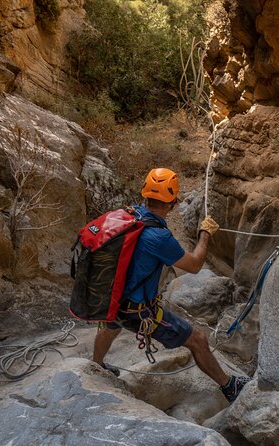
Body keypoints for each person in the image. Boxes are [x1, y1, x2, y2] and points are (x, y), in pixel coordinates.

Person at [92, 167, 251, 403]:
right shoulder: (159, 237)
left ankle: (95, 366)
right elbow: (195, 265)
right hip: (137, 310)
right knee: (197, 338)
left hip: (113, 297)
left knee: (111, 324)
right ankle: (229, 386)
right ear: (173, 203)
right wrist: (205, 234)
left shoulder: (130, 215)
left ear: (145, 195)